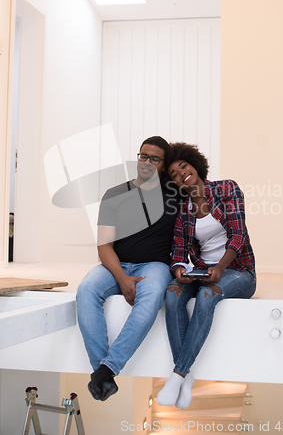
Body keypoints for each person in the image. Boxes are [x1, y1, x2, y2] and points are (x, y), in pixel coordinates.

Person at [77, 136, 179, 401]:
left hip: (155, 265)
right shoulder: (115, 194)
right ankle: (103, 370)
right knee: (86, 289)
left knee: (153, 296)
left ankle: (107, 369)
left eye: (154, 158)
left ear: (163, 164)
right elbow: (103, 246)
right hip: (115, 262)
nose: (146, 162)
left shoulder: (175, 195)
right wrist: (122, 278)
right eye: (143, 156)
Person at [157, 142, 256, 409]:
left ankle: (177, 376)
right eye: (175, 175)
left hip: (237, 271)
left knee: (206, 294)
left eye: (184, 167)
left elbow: (238, 234)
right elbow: (178, 251)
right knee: (172, 293)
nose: (181, 175)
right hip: (202, 271)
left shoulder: (226, 188)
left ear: (195, 164)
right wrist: (179, 269)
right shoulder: (183, 210)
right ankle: (187, 379)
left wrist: (220, 269)